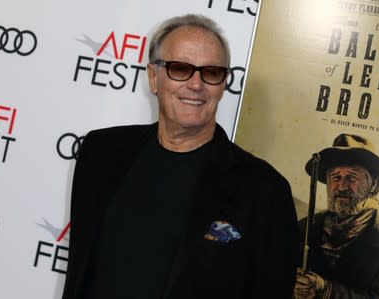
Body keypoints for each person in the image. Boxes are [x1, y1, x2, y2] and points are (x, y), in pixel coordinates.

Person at [62, 14, 300, 299]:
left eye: (211, 72)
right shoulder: (100, 152)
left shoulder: (264, 191)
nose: (196, 84)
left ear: (223, 84)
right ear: (154, 77)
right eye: (180, 68)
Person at [294, 134, 379, 298]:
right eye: (336, 177)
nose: (342, 186)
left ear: (374, 184)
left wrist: (326, 290)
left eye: (352, 177)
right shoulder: (305, 228)